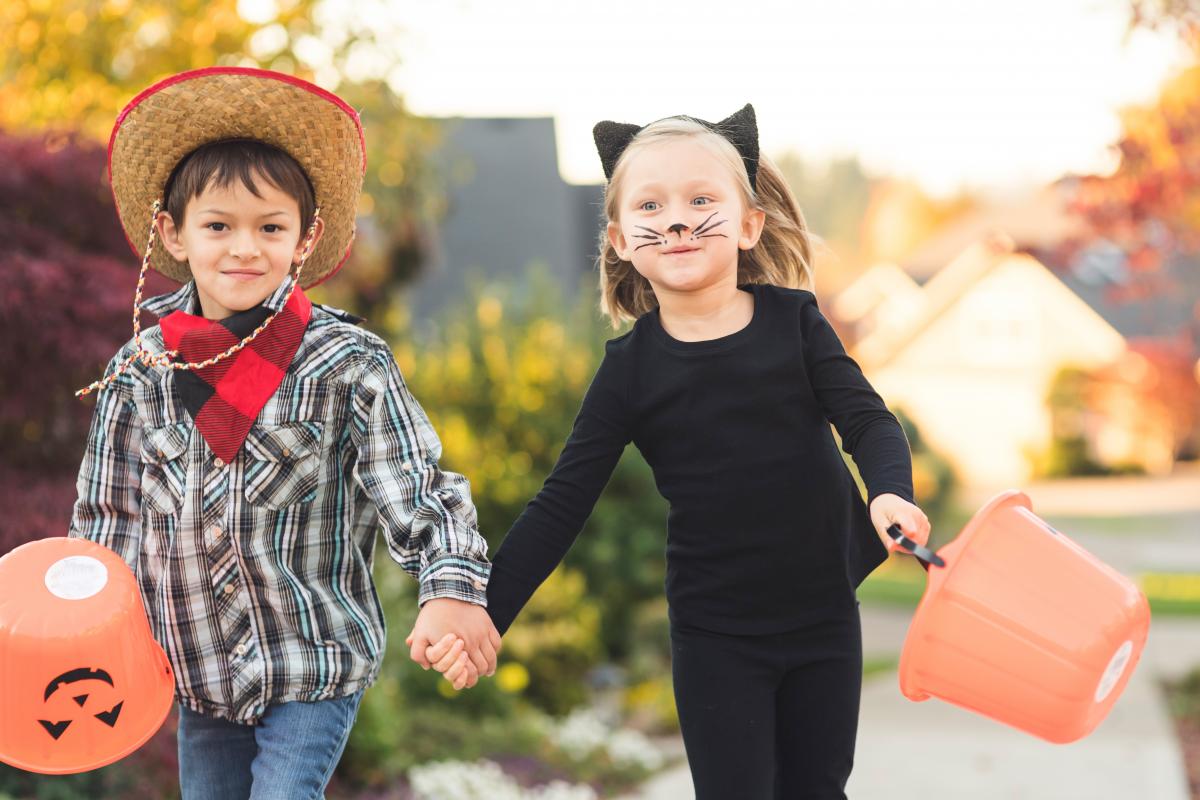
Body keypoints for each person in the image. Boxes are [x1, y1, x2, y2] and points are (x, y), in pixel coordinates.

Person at [416, 104, 930, 798]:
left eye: (700, 200)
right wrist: (488, 611)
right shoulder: (630, 371)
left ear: (748, 224)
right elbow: (562, 503)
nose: (678, 220)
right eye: (651, 205)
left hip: (822, 616)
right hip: (715, 634)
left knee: (816, 789)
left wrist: (890, 491)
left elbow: (868, 421)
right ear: (621, 238)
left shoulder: (796, 325)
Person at [68, 66, 500, 800]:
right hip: (199, 676)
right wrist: (83, 630)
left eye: (270, 227)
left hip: (312, 664)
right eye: (218, 226)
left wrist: (450, 587)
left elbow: (416, 489)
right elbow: (108, 519)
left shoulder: (345, 364)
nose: (245, 248)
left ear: (306, 237)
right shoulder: (139, 374)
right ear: (172, 232)